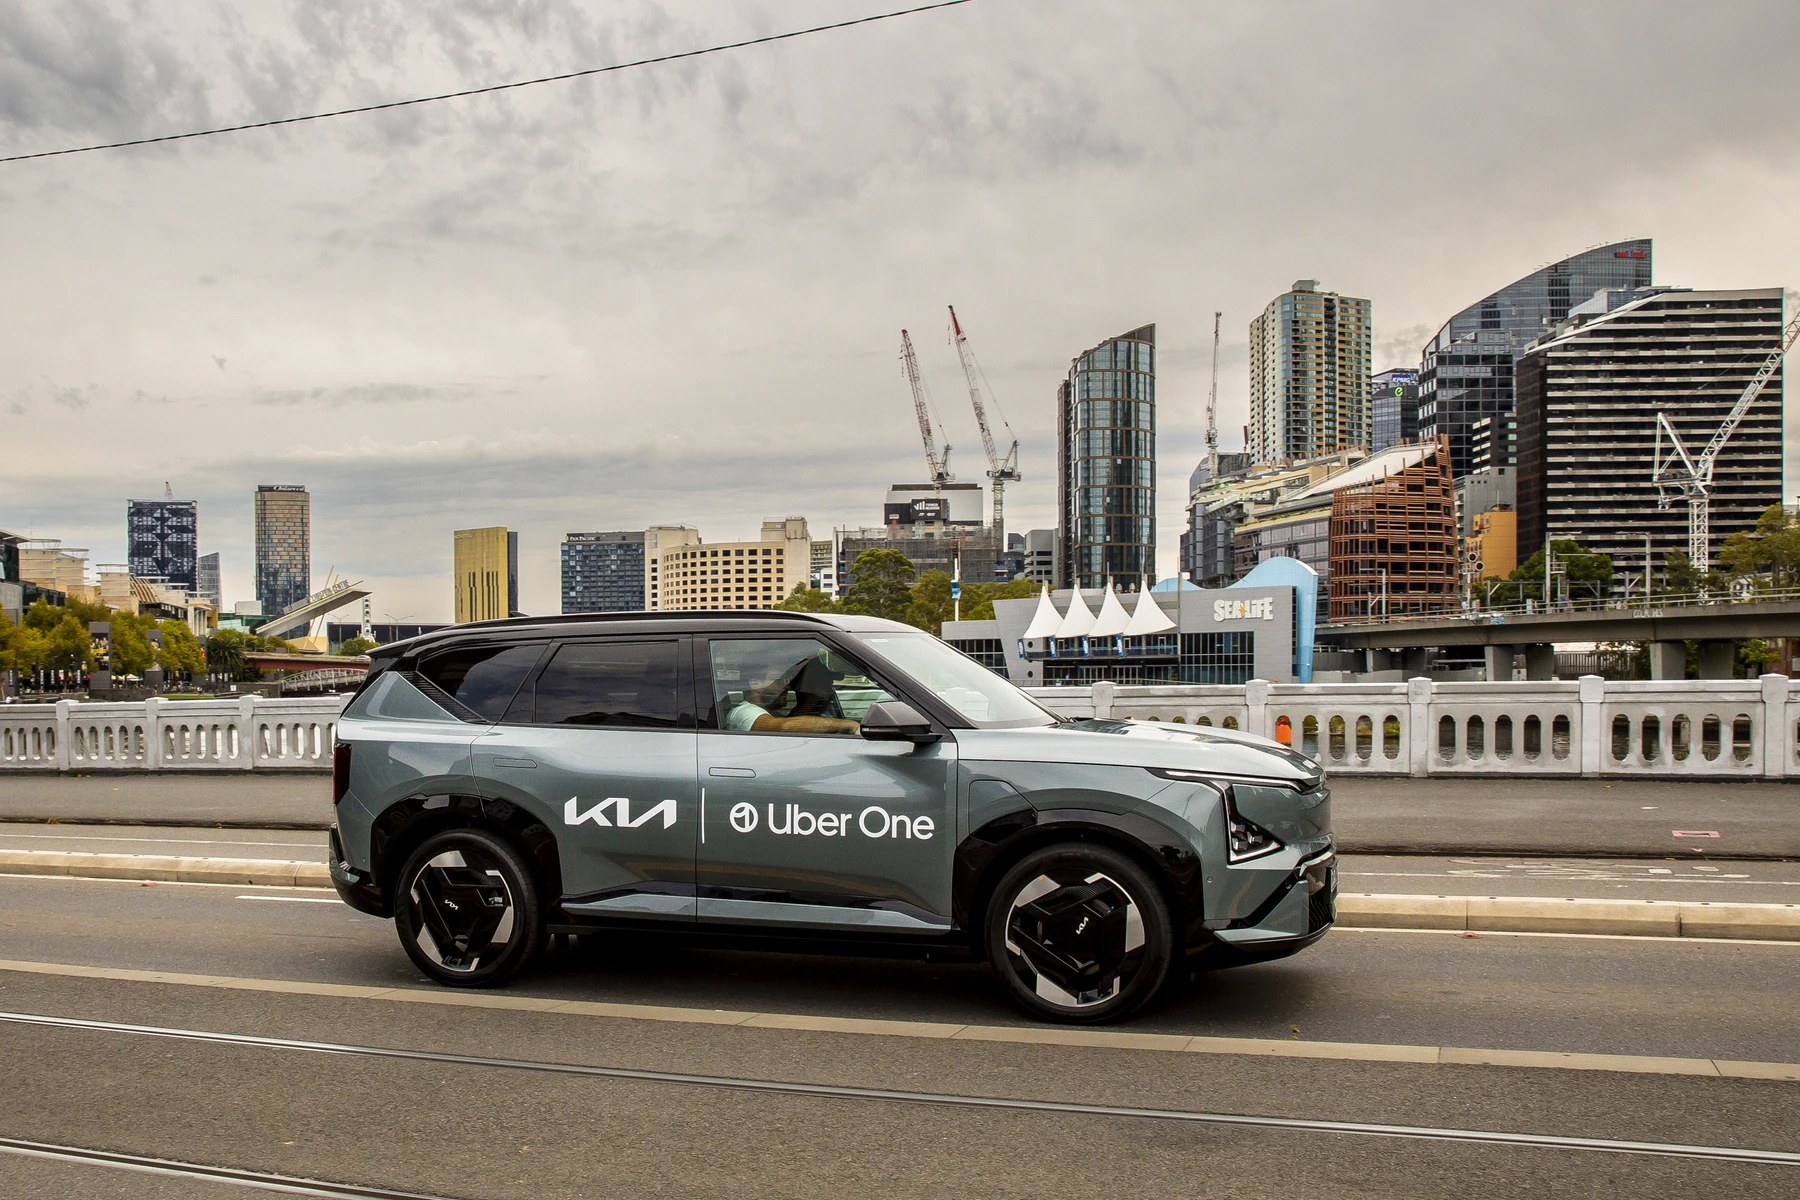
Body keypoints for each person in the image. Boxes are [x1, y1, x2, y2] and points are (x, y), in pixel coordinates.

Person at [723, 656, 860, 735]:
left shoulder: (771, 715)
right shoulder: (744, 712)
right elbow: (785, 727)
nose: (787, 686)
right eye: (780, 680)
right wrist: (849, 725)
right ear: (755, 684)